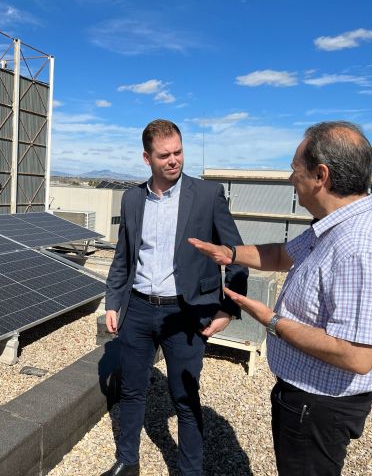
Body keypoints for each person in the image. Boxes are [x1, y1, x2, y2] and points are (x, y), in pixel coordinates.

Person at [189, 121, 372, 475]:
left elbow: (357, 355)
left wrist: (271, 320)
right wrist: (229, 253)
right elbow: (281, 255)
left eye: (294, 170)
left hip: (319, 407)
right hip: (305, 400)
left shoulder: (359, 247)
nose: (290, 180)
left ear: (321, 175)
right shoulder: (331, 226)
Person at [104, 119, 248, 476]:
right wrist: (113, 301)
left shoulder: (207, 195)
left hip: (185, 314)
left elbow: (236, 254)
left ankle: (189, 472)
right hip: (137, 309)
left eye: (178, 152)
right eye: (164, 155)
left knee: (184, 399)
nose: (174, 160)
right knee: (132, 391)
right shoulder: (132, 199)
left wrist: (229, 307)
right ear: (146, 158)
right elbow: (124, 256)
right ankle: (127, 461)